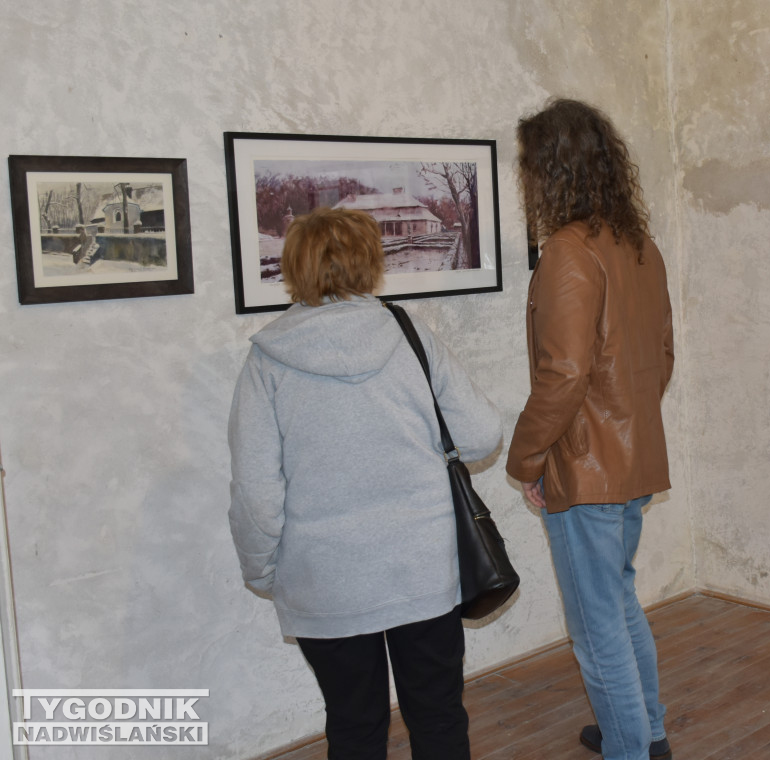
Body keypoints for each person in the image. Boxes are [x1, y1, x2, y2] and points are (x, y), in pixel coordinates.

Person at [228, 207, 502, 760]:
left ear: (294, 268)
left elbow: (257, 493)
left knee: (353, 726)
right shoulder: (408, 334)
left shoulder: (267, 361)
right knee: (439, 713)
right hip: (422, 567)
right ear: (370, 263)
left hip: (326, 580)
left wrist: (263, 570)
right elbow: (482, 436)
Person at [505, 98, 675, 760]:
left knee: (594, 622)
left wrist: (527, 461)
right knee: (618, 600)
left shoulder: (568, 254)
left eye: (528, 164)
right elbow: (661, 359)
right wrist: (625, 424)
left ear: (551, 169)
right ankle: (648, 730)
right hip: (632, 462)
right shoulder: (640, 247)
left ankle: (630, 748)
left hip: (585, 469)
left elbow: (564, 376)